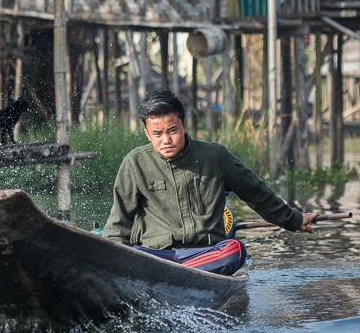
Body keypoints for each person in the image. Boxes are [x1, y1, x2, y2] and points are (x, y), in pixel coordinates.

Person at [103, 90, 318, 275]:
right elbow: (119, 222)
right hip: (155, 255)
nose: (166, 140)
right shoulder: (135, 163)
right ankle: (169, 272)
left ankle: (172, 273)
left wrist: (293, 219)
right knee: (133, 253)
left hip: (205, 256)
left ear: (184, 126)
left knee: (235, 251)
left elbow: (256, 193)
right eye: (157, 134)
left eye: (172, 131)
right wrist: (110, 262)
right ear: (147, 135)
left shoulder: (215, 156)